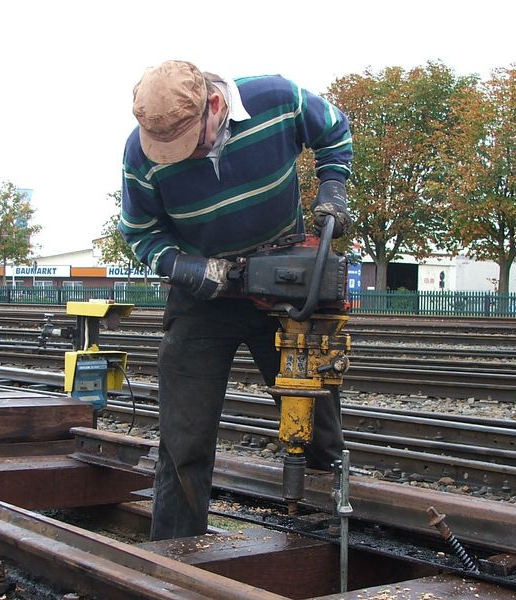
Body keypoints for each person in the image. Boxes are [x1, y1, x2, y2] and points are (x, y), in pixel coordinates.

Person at [120, 60, 353, 541]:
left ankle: (333, 541)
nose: (177, 156)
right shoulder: (140, 153)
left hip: (287, 289)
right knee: (183, 438)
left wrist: (332, 184)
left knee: (316, 429)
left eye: (188, 143)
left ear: (215, 105)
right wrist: (184, 267)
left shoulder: (277, 98)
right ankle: (176, 556)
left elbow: (333, 128)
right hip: (203, 297)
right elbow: (142, 234)